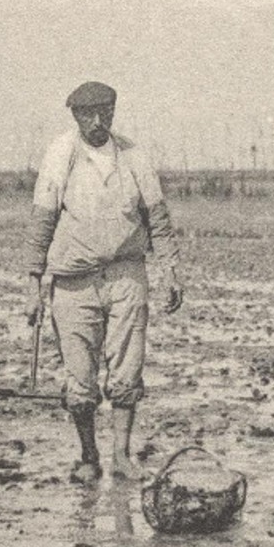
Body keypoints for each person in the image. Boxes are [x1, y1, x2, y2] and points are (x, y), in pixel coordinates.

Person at [26, 81, 183, 484]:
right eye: (87, 114)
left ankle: (122, 456)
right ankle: (88, 456)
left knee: (127, 371)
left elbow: (158, 220)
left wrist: (169, 270)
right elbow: (42, 222)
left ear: (113, 113)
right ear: (75, 116)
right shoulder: (61, 154)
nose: (97, 122)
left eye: (105, 113)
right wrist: (33, 285)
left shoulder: (134, 156)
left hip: (126, 276)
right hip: (73, 282)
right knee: (80, 378)